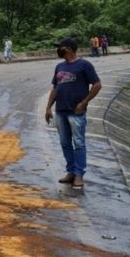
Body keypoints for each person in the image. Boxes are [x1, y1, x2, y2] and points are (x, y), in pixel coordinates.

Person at [45, 38, 101, 189]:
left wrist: (84, 102)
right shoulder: (59, 66)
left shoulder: (84, 65)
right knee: (65, 143)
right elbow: (55, 88)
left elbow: (97, 85)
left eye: (60, 47)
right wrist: (48, 107)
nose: (58, 50)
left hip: (76, 112)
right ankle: (70, 171)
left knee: (79, 143)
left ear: (69, 49)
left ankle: (79, 174)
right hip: (61, 111)